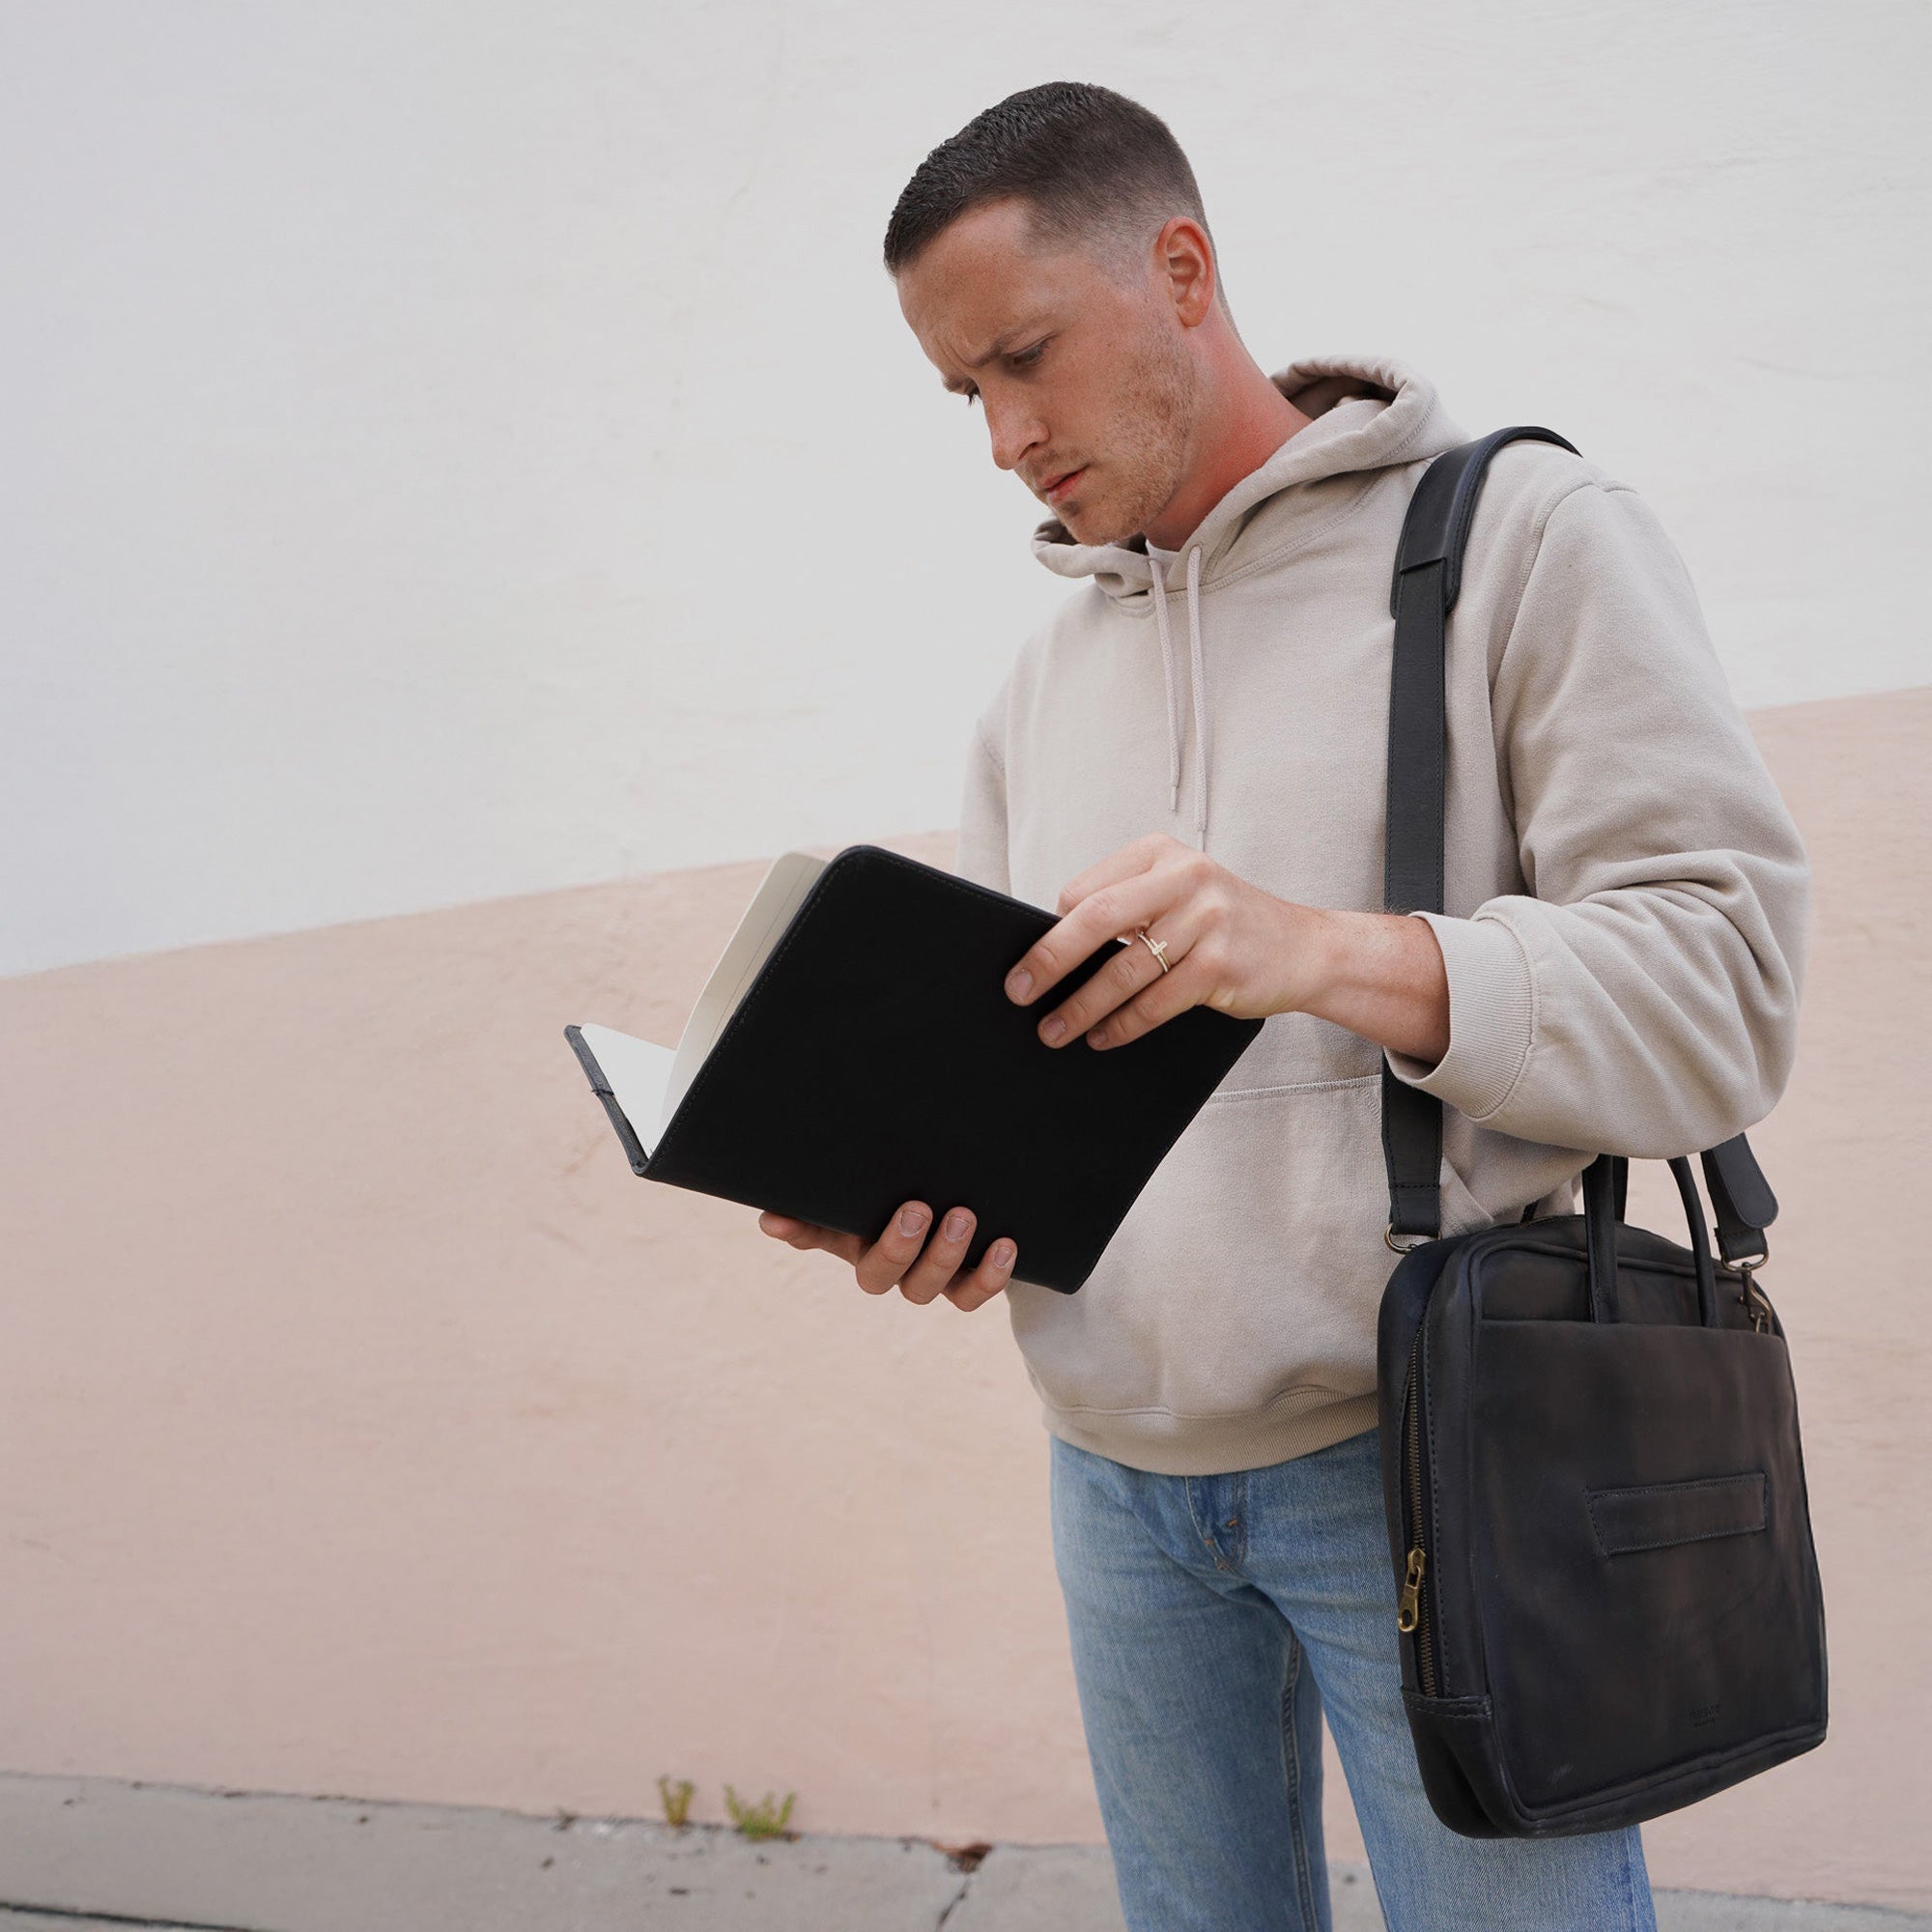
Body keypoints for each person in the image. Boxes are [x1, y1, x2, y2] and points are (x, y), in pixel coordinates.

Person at [757, 80, 1807, 1932]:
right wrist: (921, 1204)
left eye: (1024, 359)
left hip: (1434, 1457)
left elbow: (1724, 990)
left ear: (1181, 270)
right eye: (960, 395)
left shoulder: (1525, 540)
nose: (1003, 437)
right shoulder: (1038, 680)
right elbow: (1042, 1091)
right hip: (1121, 1488)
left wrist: (1327, 951)